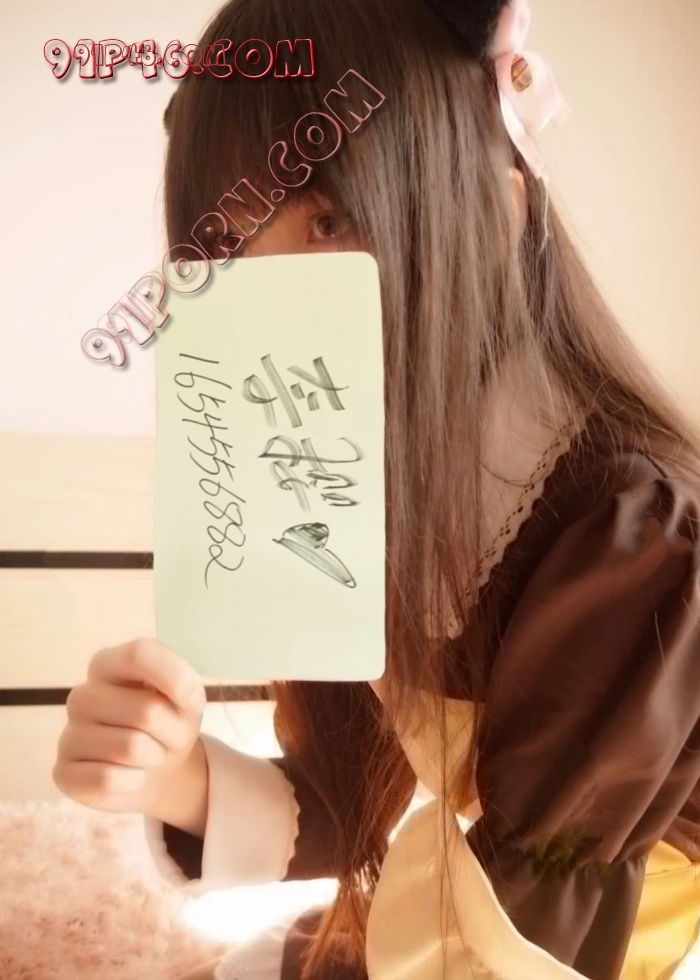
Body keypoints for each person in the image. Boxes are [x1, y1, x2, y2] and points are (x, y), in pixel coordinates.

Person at [53, 0, 700, 977]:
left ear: (496, 215)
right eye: (226, 244)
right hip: (497, 895)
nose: (276, 298)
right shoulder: (357, 477)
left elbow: (540, 904)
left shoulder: (627, 533)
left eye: (330, 220)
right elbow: (348, 792)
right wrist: (173, 771)